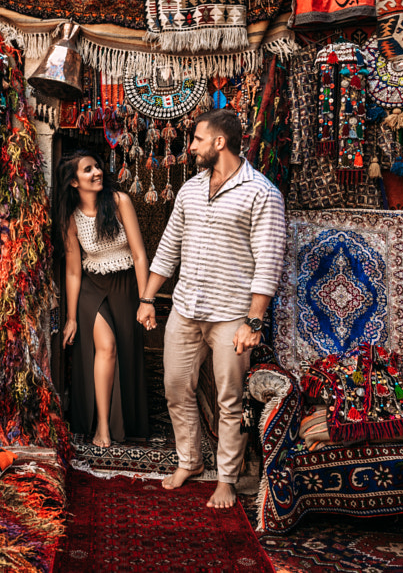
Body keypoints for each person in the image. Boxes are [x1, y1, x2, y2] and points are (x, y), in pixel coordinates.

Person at [136, 109, 286, 508]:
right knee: (175, 388)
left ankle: (227, 478)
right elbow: (168, 247)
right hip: (186, 309)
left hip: (232, 316)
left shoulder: (262, 193)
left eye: (197, 139)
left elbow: (269, 261)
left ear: (220, 142)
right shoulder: (189, 189)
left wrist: (253, 322)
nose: (191, 146)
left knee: (229, 400)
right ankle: (189, 461)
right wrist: (148, 297)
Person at [56, 150, 150, 448]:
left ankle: (122, 423)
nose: (96, 172)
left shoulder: (120, 202)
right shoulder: (71, 219)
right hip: (90, 288)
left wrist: (146, 300)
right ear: (73, 182)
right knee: (105, 348)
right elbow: (72, 271)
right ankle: (102, 427)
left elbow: (138, 255)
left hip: (125, 286)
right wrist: (71, 317)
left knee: (124, 350)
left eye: (97, 166)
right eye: (88, 170)